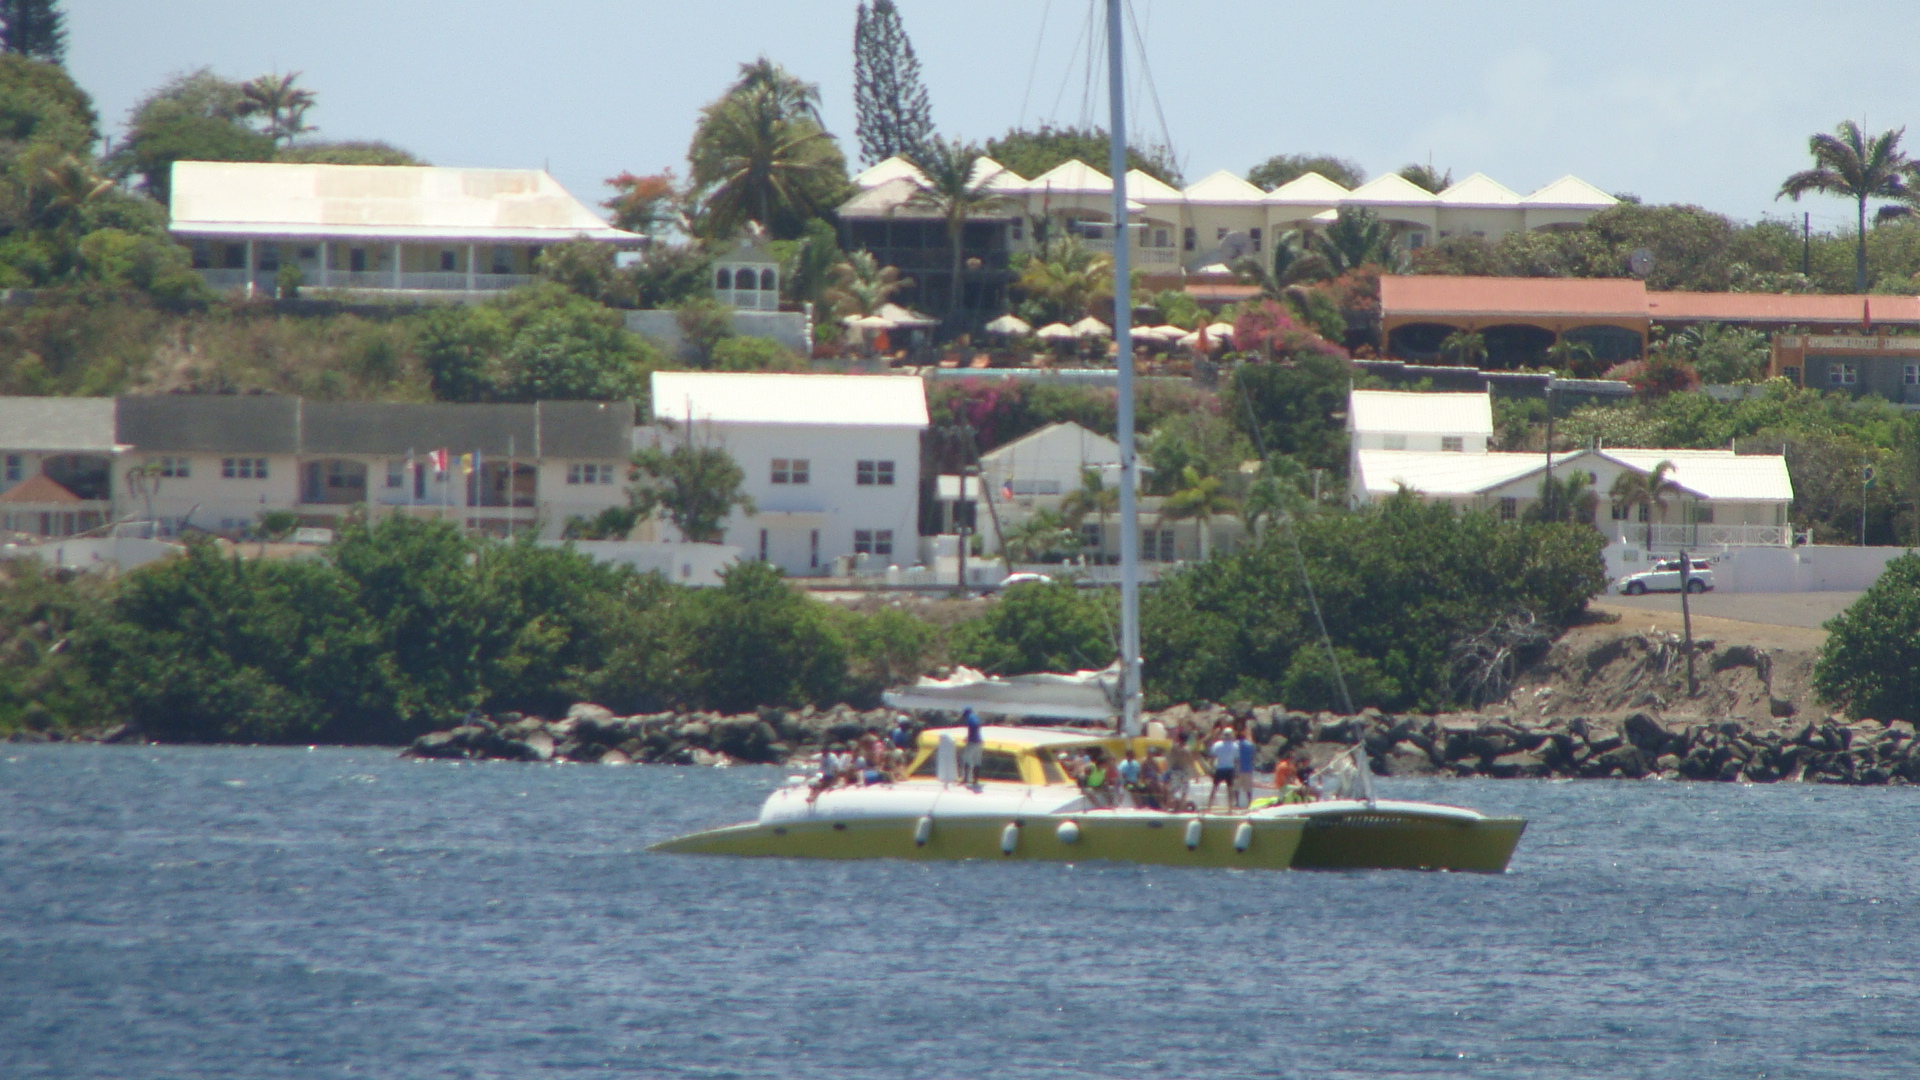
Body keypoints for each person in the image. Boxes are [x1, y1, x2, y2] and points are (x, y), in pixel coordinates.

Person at [1207, 729, 1238, 811]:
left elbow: (1212, 757)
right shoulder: (1235, 746)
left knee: (1214, 788)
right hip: (1229, 769)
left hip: (1219, 768)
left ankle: (1209, 807)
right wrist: (1237, 771)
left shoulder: (1217, 745)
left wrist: (1211, 768)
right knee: (1230, 789)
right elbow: (1236, 760)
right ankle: (1230, 808)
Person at [959, 707, 984, 786]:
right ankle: (975, 780)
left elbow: (974, 726)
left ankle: (966, 779)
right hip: (979, 742)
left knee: (966, 759)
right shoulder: (976, 717)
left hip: (972, 742)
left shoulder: (970, 718)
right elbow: (977, 726)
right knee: (977, 761)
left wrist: (969, 738)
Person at [1234, 726, 1257, 809]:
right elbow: (1253, 755)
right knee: (1248, 788)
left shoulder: (1235, 744)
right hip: (1248, 769)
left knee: (1236, 787)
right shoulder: (1250, 745)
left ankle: (1237, 803)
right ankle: (1249, 803)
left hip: (1237, 769)